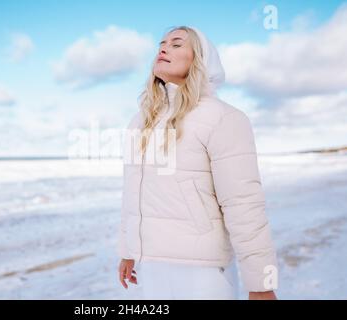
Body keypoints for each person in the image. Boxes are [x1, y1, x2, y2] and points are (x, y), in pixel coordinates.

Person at [117, 26, 278, 300]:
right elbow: (133, 193)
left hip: (203, 272)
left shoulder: (224, 118)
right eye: (162, 43)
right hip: (152, 265)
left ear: (200, 59)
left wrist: (261, 284)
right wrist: (127, 250)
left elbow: (243, 204)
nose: (164, 48)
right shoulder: (141, 121)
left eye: (177, 44)